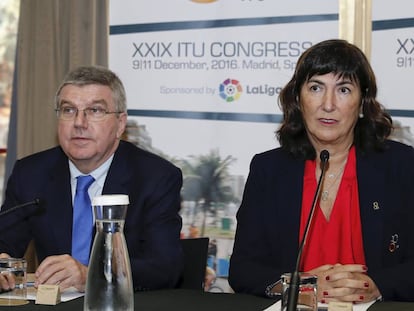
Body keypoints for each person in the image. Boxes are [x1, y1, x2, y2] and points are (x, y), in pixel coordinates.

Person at [228, 39, 414, 304]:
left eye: (344, 89)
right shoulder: (268, 169)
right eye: (316, 87)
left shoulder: (401, 166)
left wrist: (377, 287)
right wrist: (299, 285)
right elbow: (243, 270)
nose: (328, 104)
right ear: (298, 97)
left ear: (362, 101)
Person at [0, 65, 183, 293]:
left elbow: (165, 268)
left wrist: (92, 276)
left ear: (120, 124)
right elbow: (5, 241)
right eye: (68, 110)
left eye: (95, 110)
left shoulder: (155, 178)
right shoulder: (31, 173)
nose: (79, 122)